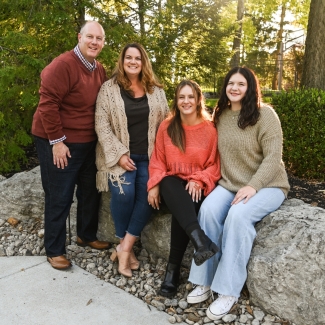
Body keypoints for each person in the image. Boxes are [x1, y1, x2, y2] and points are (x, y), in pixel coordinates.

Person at [186, 67, 290, 320]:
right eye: (230, 83)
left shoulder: (266, 115)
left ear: (250, 88)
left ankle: (228, 290)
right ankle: (205, 279)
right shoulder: (220, 116)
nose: (234, 88)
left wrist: (253, 186)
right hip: (231, 183)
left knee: (238, 216)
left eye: (241, 84)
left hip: (268, 185)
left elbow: (273, 158)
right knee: (208, 210)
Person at [32, 21, 110, 270]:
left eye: (99, 38)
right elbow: (47, 104)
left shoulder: (98, 69)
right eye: (90, 37)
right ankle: (54, 249)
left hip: (86, 142)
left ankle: (85, 235)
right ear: (80, 37)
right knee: (59, 194)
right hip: (57, 140)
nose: (94, 42)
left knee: (90, 190)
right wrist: (56, 142)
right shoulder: (63, 65)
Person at [95, 43, 169, 278]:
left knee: (149, 195)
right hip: (121, 156)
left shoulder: (156, 90)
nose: (133, 62)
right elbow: (101, 125)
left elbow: (166, 124)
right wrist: (119, 154)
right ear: (122, 60)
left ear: (144, 62)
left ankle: (124, 247)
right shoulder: (109, 89)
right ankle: (124, 245)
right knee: (123, 192)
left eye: (138, 58)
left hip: (150, 157)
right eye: (129, 57)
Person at [147, 80, 221, 298]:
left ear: (199, 100)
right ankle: (200, 240)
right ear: (176, 101)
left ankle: (172, 270)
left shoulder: (210, 130)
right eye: (182, 97)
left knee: (186, 203)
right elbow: (158, 161)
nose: (186, 101)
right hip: (171, 185)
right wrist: (154, 185)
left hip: (195, 187)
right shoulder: (167, 126)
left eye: (190, 97)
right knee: (169, 182)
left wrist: (199, 179)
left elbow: (214, 164)